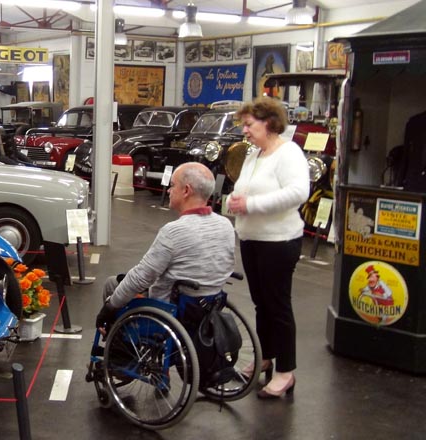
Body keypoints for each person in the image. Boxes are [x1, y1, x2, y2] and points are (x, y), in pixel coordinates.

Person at [226, 96, 309, 399]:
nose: (244, 131)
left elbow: (299, 192)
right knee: (262, 304)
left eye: (248, 125)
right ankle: (265, 357)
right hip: (253, 241)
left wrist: (251, 204)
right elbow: (242, 189)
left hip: (279, 242)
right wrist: (235, 202)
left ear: (269, 123)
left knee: (278, 307)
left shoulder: (288, 153)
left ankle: (286, 372)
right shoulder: (254, 155)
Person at [96, 162, 235, 332]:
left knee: (112, 285)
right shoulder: (225, 225)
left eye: (172, 186)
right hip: (207, 305)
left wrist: (109, 308)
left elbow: (141, 277)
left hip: (170, 310)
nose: (169, 191)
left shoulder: (174, 231)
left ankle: (120, 350)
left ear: (186, 190)